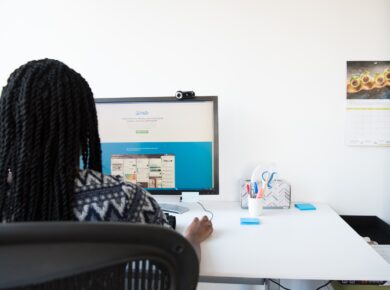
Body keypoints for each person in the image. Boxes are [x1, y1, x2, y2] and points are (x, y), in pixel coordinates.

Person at [0, 58, 212, 257]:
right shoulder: (126, 199)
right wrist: (192, 238)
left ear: (9, 122)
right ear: (83, 126)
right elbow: (174, 266)